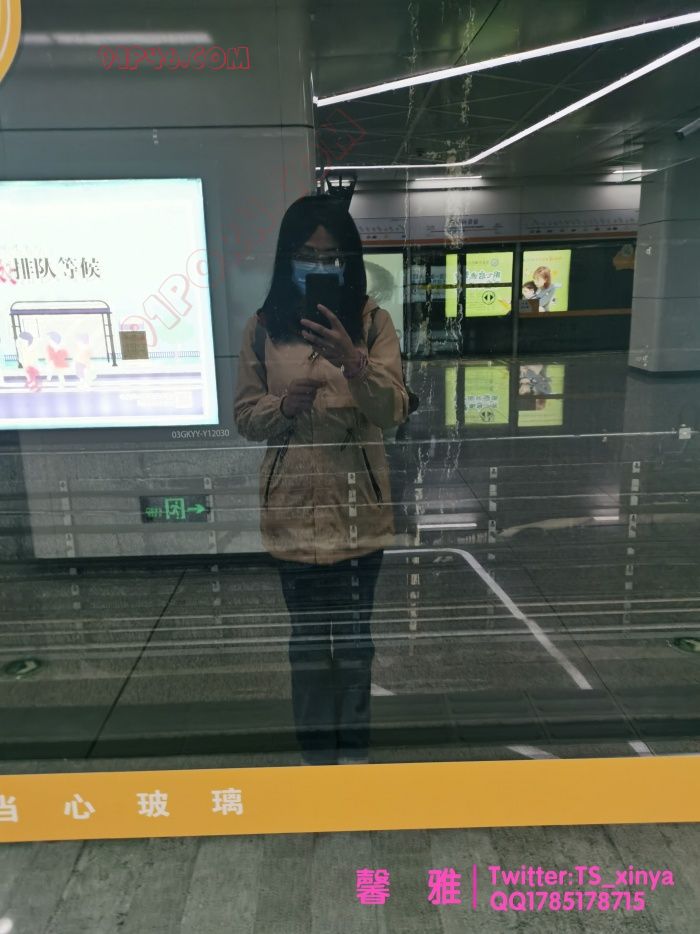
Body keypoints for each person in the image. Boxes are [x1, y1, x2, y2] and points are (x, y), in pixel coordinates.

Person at [234, 195, 408, 766]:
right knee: (309, 645)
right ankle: (315, 759)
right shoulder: (263, 328)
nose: (319, 264)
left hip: (359, 512)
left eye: (331, 255)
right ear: (287, 256)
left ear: (349, 260)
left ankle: (354, 756)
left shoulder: (373, 324)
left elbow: (393, 411)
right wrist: (282, 406)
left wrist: (355, 362)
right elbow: (245, 418)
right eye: (307, 253)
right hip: (292, 513)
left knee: (354, 644)